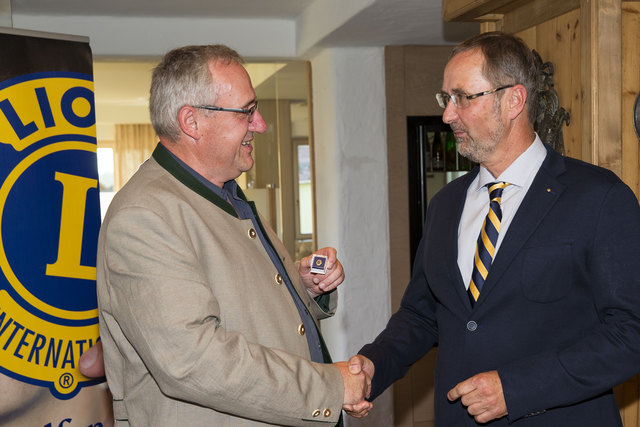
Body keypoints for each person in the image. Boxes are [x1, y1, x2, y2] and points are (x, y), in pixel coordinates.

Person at [346, 31, 640, 426]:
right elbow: (422, 314)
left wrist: (516, 388)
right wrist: (373, 366)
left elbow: (630, 335)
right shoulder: (446, 204)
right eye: (445, 99)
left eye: (463, 98)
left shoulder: (599, 197)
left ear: (514, 99)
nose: (448, 114)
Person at [96, 44, 371, 426]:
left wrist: (302, 287)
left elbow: (237, 304)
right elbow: (193, 360)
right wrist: (329, 387)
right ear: (191, 122)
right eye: (246, 111)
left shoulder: (223, 192)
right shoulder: (145, 215)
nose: (260, 124)